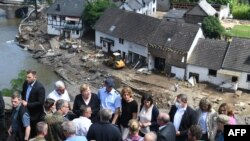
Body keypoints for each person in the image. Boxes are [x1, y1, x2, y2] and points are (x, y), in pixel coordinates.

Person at [21, 70, 45, 138]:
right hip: (25, 111)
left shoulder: (40, 87)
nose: (27, 79)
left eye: (29, 77)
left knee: (33, 132)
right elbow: (23, 93)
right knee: (24, 129)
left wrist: (27, 104)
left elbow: (41, 102)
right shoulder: (26, 83)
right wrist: (23, 100)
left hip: (35, 115)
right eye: (27, 77)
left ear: (35, 77)